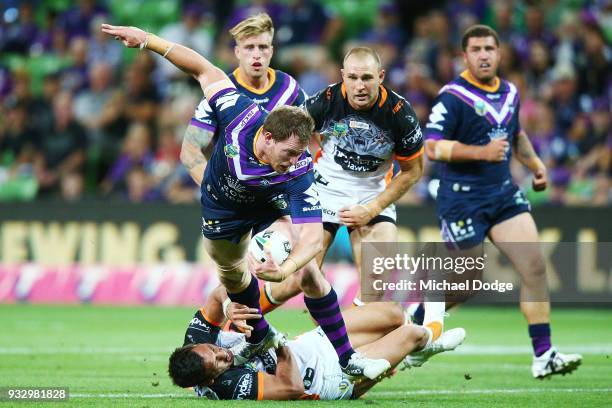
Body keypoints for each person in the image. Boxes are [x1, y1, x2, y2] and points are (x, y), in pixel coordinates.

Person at [101, 23, 389, 380]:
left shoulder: (297, 165)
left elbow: (312, 236)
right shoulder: (236, 110)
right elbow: (202, 68)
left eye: (300, 153)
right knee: (234, 279)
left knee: (309, 271)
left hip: (271, 206)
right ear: (266, 137)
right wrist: (147, 40)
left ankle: (347, 358)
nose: (295, 160)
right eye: (288, 153)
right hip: (223, 211)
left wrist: (285, 269)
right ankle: (260, 337)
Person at [253, 46, 446, 344]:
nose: (359, 85)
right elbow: (291, 144)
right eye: (353, 77)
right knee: (296, 279)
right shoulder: (324, 102)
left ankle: (343, 349)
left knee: (376, 285)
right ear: (342, 76)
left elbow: (413, 171)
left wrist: (373, 208)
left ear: (380, 77)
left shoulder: (400, 115)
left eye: (367, 78)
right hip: (324, 189)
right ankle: (239, 327)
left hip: (374, 194)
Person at [422, 24, 582, 378]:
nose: (483, 55)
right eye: (476, 49)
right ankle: (418, 322)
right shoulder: (452, 95)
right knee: (467, 283)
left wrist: (536, 164)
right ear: (464, 56)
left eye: (489, 49)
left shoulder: (510, 92)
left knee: (535, 266)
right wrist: (480, 152)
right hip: (462, 199)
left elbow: (516, 134)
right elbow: (432, 147)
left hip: (503, 194)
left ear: (499, 53)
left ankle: (544, 355)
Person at [168, 285, 466, 400]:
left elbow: (219, 293)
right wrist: (277, 345)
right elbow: (292, 388)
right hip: (329, 379)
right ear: (209, 380)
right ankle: (428, 340)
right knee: (410, 334)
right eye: (218, 364)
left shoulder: (196, 338)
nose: (223, 355)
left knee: (391, 313)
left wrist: (230, 303)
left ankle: (416, 355)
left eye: (214, 349)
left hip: (315, 343)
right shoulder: (228, 386)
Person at [188, 12, 307, 160]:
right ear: (237, 52)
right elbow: (192, 150)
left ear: (271, 51)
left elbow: (314, 134)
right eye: (249, 47)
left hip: (278, 178)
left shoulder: (288, 87)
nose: (256, 54)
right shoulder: (221, 91)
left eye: (262, 47)